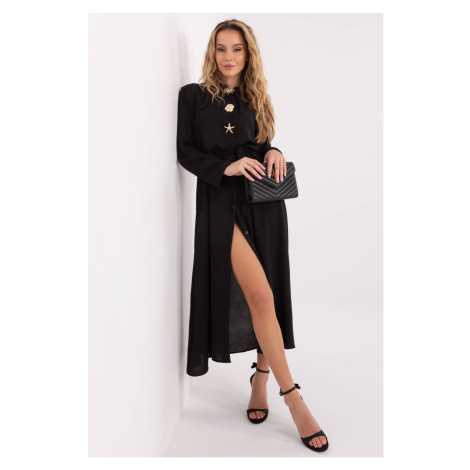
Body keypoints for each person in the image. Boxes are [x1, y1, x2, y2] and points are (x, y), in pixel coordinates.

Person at [176, 19, 329, 452]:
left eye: (237, 49)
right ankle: (294, 399)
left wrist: (274, 150)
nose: (228, 56)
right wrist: (226, 166)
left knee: (271, 295)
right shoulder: (193, 96)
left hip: (263, 207)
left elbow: (262, 145)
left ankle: (261, 378)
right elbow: (185, 152)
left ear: (248, 53)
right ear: (212, 52)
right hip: (220, 207)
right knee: (259, 296)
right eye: (221, 48)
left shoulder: (255, 96)